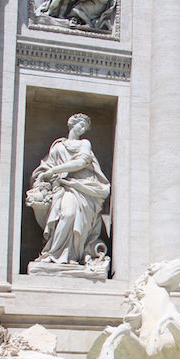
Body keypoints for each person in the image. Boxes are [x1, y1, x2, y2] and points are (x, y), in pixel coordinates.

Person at [26, 113, 110, 265]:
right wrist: (43, 176)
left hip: (82, 187)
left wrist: (54, 171)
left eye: (85, 127)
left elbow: (80, 163)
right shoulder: (58, 146)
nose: (83, 128)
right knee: (67, 214)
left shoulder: (85, 143)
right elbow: (46, 166)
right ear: (72, 124)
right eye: (81, 124)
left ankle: (71, 256)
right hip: (62, 186)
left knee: (72, 216)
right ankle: (54, 254)